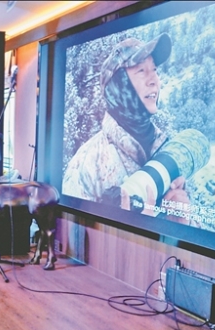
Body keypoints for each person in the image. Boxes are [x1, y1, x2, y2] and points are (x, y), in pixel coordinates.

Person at [61, 33, 191, 224]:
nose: (154, 80)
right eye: (141, 71)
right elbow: (73, 238)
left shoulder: (170, 152)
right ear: (118, 85)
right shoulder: (86, 166)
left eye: (154, 70)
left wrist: (180, 224)